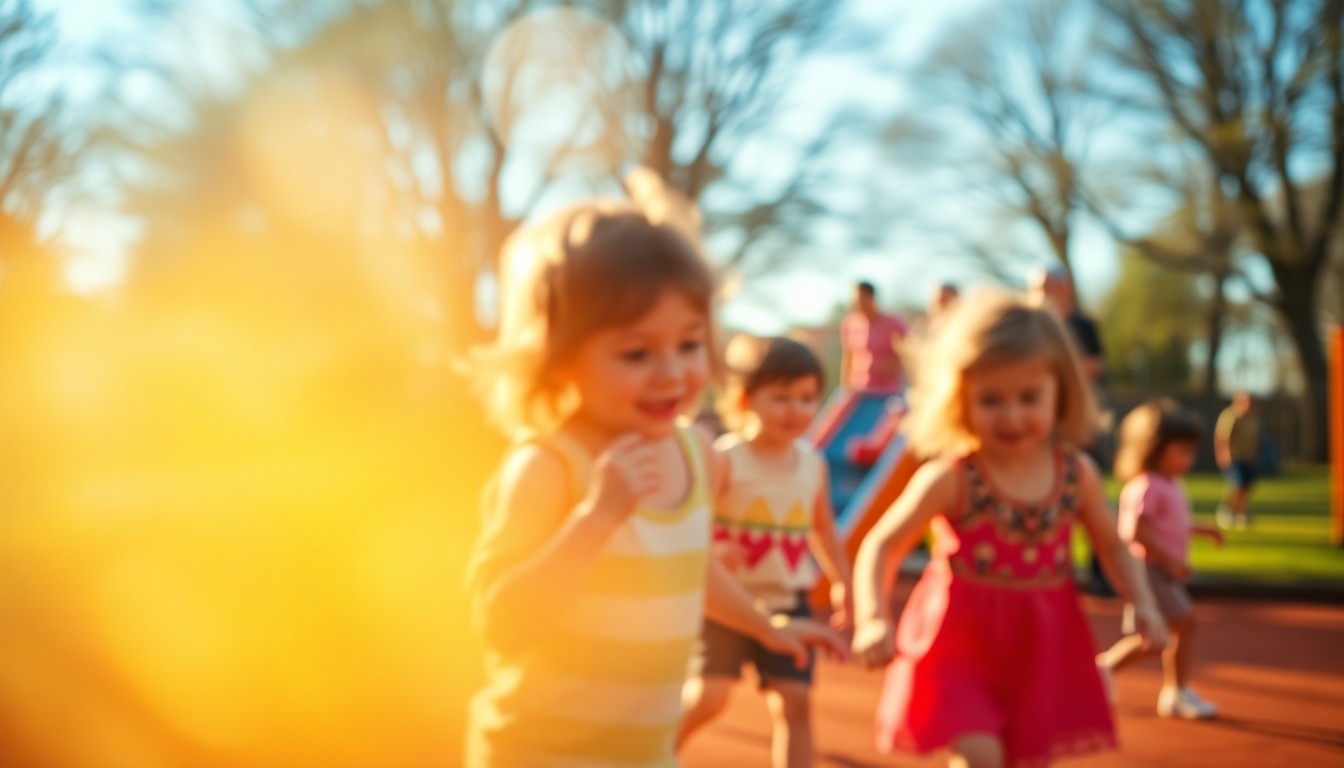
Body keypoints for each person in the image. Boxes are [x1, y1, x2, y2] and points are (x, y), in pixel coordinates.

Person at [463, 200, 845, 767]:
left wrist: (766, 628)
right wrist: (596, 518)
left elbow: (692, 563)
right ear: (560, 356)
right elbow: (499, 621)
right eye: (637, 353)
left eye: (689, 345)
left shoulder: (693, 452)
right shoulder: (548, 467)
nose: (672, 373)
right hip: (541, 752)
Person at [851, 289, 1168, 768]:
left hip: (1041, 647)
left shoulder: (1075, 474)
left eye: (1028, 397)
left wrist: (1143, 601)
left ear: (1060, 391)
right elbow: (882, 543)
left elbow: (1112, 546)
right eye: (992, 399)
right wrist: (873, 614)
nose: (1012, 415)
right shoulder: (954, 477)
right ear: (961, 397)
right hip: (958, 646)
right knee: (981, 756)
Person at [677, 336, 853, 768]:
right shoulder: (727, 459)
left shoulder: (813, 464)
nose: (796, 410)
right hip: (728, 603)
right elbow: (695, 521)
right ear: (745, 398)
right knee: (709, 697)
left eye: (807, 398)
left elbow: (824, 530)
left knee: (795, 703)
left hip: (787, 599)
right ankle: (654, 752)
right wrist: (715, 548)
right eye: (781, 398)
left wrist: (844, 585)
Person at [1097, 399, 1225, 719]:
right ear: (1154, 449)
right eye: (1182, 451)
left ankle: (1103, 669)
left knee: (1153, 641)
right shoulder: (1146, 486)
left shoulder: (1171, 484)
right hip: (1149, 572)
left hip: (1160, 571)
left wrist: (1199, 530)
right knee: (1186, 622)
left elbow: (1169, 524)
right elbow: (1135, 530)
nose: (1189, 460)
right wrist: (1169, 561)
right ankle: (1176, 692)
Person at [1029, 264, 1113, 596]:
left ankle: (1102, 574)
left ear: (1064, 289)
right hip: (1037, 426)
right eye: (1037, 288)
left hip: (1077, 423)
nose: (1042, 294)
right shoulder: (1027, 325)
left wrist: (1062, 366)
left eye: (1048, 286)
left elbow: (1096, 365)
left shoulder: (1082, 325)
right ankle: (1037, 568)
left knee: (1089, 494)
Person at [840, 280, 910, 394]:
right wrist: (845, 388)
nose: (855, 303)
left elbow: (908, 356)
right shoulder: (849, 323)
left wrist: (881, 367)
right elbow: (848, 356)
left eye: (859, 299)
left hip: (888, 392)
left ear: (871, 298)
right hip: (859, 390)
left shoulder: (894, 323)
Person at [1215, 392, 1260, 529]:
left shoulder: (1253, 418)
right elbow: (1222, 437)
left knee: (1247, 486)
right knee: (1237, 485)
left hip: (1249, 457)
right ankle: (1227, 511)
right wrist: (1223, 454)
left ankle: (1241, 512)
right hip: (1235, 457)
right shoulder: (1230, 416)